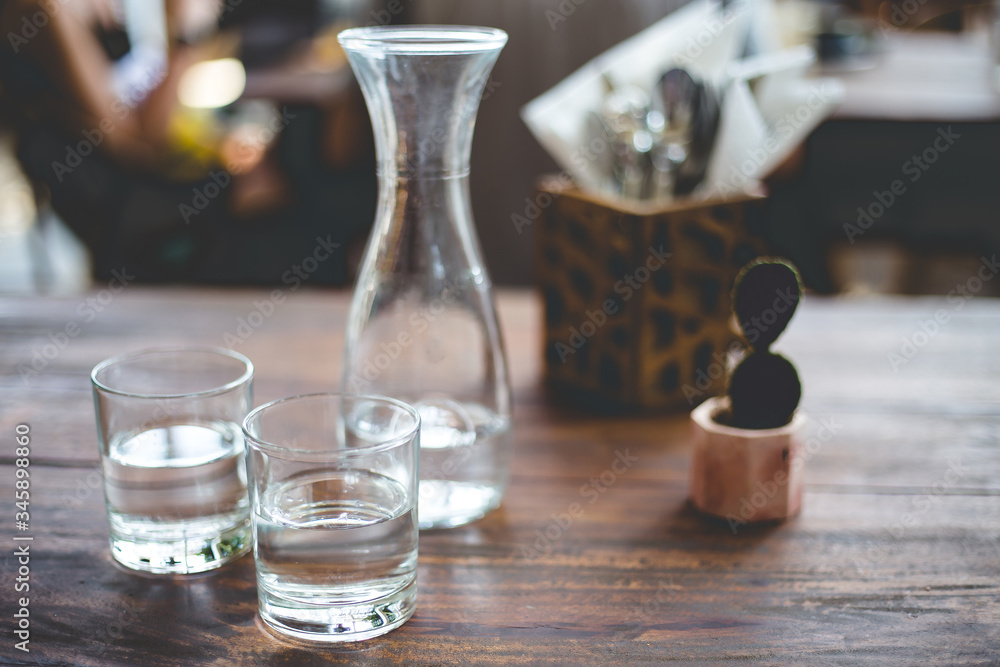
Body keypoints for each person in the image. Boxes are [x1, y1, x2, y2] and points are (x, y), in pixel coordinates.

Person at [0, 0, 374, 285]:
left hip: (165, 175)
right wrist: (185, 36)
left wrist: (226, 145)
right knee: (316, 198)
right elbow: (137, 144)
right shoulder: (44, 12)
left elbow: (161, 107)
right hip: (137, 203)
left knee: (309, 165)